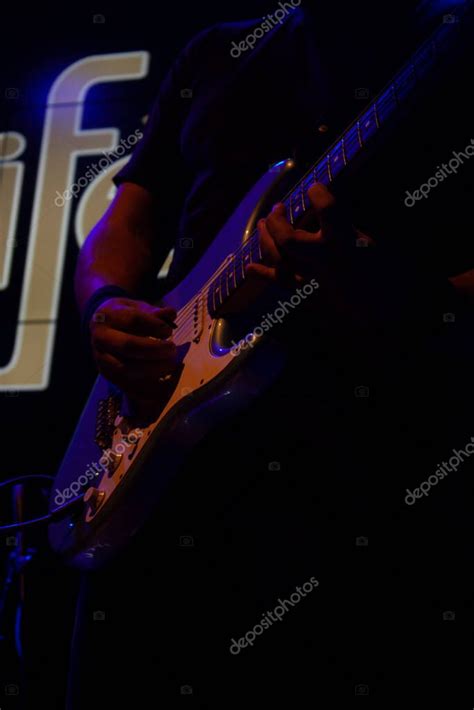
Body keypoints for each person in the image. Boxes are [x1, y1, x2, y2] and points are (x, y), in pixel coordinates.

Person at [68, 2, 474, 706]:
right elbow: (129, 218)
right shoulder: (217, 53)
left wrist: (371, 274)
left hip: (358, 483)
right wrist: (105, 305)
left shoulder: (450, 44)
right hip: (165, 480)